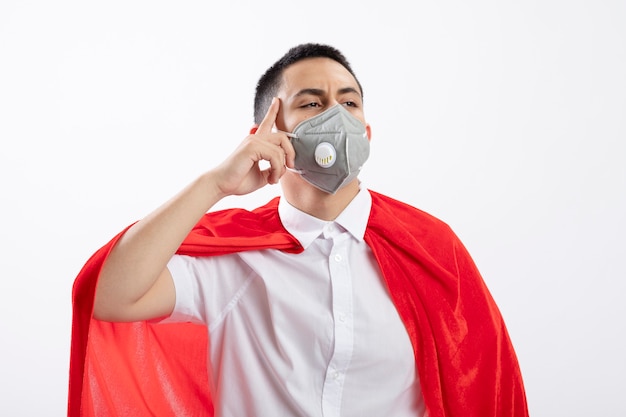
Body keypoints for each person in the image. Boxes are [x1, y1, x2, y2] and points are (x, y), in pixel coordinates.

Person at [68, 43, 528, 417]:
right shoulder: (233, 258)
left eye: (349, 102)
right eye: (312, 103)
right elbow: (109, 296)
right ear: (268, 132)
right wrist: (215, 185)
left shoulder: (430, 245)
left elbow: (485, 387)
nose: (337, 117)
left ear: (366, 132)